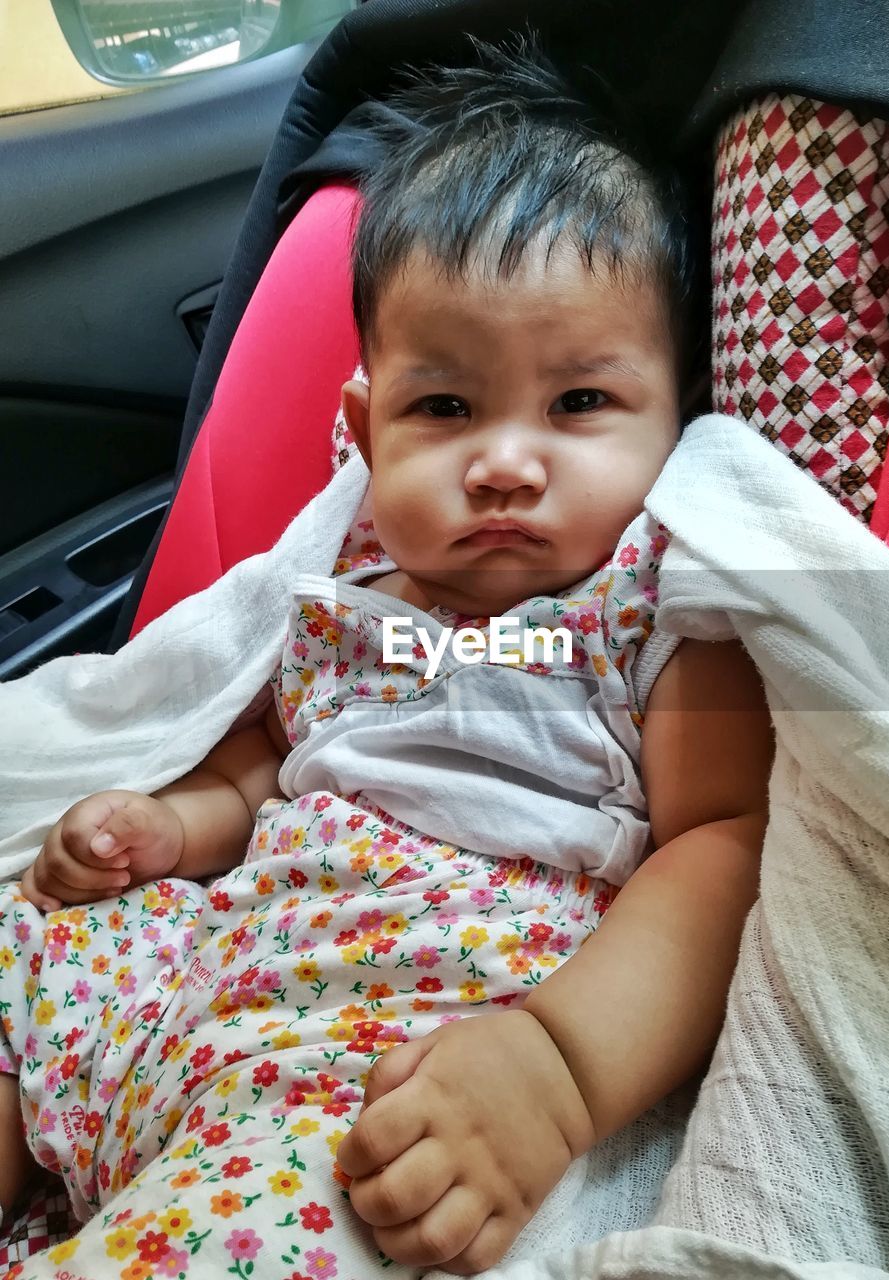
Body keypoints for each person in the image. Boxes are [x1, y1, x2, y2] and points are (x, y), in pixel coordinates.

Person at [0, 46, 772, 1279]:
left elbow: (722, 847)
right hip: (200, 965)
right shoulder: (344, 595)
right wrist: (165, 821)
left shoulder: (653, 611)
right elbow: (271, 772)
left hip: (391, 1051)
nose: (506, 460)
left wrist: (555, 1068)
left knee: (286, 1228)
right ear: (363, 431)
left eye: (578, 402)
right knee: (24, 957)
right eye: (447, 409)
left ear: (678, 416)